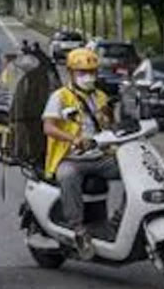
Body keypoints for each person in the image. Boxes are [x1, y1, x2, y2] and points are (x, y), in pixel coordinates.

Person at [42, 47, 116, 259]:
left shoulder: (101, 96)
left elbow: (110, 124)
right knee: (67, 176)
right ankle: (78, 230)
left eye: (92, 72)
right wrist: (74, 139)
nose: (88, 77)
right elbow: (48, 127)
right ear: (71, 73)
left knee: (131, 170)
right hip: (71, 157)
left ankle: (119, 222)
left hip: (101, 156)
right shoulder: (60, 97)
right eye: (82, 72)